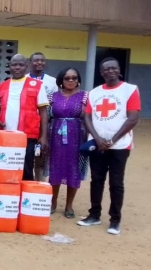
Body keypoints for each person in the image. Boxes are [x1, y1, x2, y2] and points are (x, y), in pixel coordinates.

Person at [78, 57, 141, 235]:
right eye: (106, 69)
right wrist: (97, 139)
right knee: (96, 180)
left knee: (116, 182)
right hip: (98, 144)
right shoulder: (95, 92)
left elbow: (133, 118)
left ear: (119, 70)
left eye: (113, 68)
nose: (110, 71)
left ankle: (115, 220)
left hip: (120, 145)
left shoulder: (130, 90)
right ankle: (94, 215)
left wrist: (112, 140)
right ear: (101, 72)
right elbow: (87, 117)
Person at [0, 54, 49, 181]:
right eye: (14, 64)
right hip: (5, 135)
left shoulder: (37, 85)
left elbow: (43, 112)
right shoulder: (2, 86)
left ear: (27, 66)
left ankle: (25, 199)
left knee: (26, 168)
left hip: (27, 135)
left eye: (21, 65)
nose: (17, 67)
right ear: (10, 67)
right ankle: (8, 195)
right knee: (5, 167)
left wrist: (44, 136)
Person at [47, 67, 88, 219]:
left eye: (74, 78)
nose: (71, 80)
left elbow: (88, 117)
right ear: (61, 80)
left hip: (76, 137)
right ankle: (53, 202)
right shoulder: (53, 96)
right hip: (55, 137)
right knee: (55, 168)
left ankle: (69, 205)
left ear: (78, 80)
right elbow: (47, 117)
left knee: (73, 169)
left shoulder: (84, 96)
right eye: (67, 78)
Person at [29, 52, 59, 182]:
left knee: (41, 156)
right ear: (30, 63)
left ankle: (39, 185)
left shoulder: (52, 81)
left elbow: (55, 103)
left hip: (45, 124)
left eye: (42, 60)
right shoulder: (24, 79)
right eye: (36, 60)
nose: (39, 63)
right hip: (28, 124)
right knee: (28, 156)